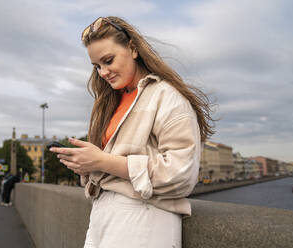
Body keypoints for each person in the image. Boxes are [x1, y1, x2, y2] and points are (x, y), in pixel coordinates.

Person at [50, 16, 214, 248]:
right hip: (101, 214)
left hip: (144, 217)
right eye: (97, 66)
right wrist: (87, 164)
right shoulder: (110, 103)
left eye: (108, 60)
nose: (103, 72)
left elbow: (181, 174)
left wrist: (102, 161)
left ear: (133, 49)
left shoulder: (166, 96)